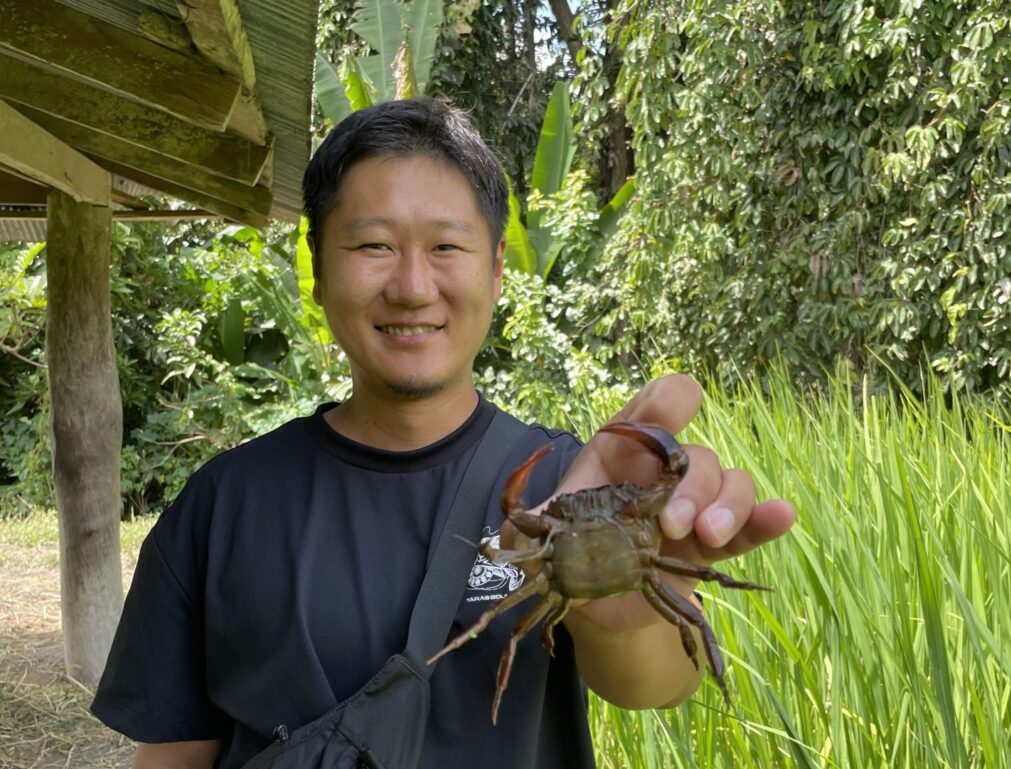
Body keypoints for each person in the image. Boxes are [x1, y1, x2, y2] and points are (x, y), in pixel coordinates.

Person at [91, 98, 795, 769]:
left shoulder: (568, 486)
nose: (412, 285)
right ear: (318, 269)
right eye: (372, 244)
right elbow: (175, 749)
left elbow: (660, 683)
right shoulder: (223, 505)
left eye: (446, 247)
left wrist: (624, 620)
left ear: (494, 270)